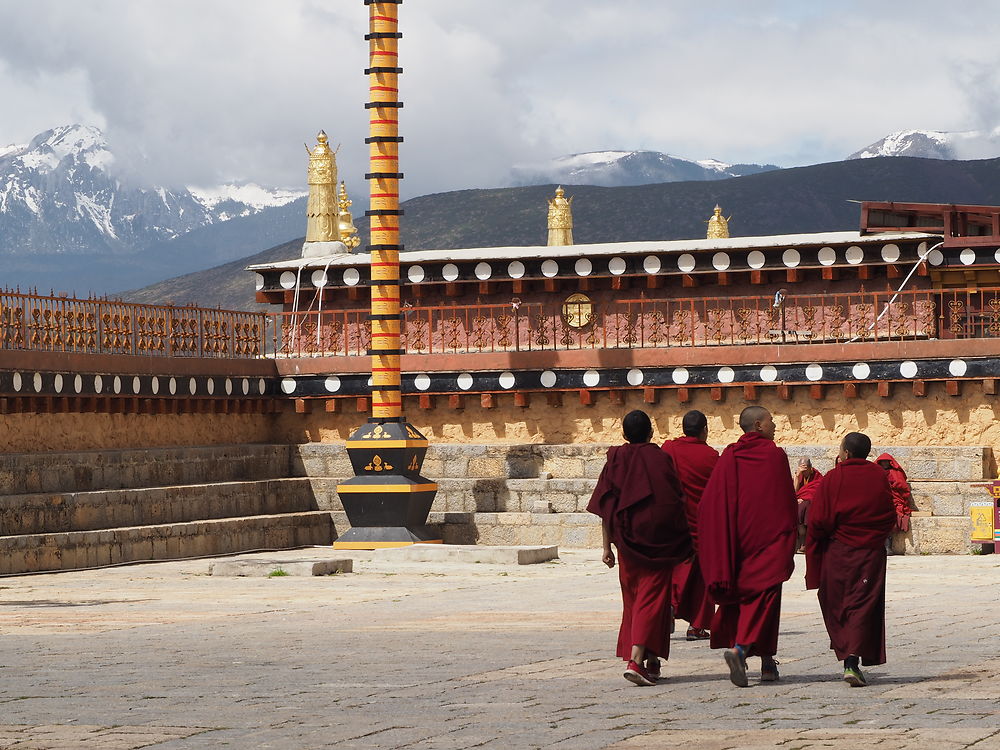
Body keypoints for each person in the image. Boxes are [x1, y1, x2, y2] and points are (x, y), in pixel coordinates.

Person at [587, 410, 693, 686]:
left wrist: (606, 547)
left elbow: (607, 506)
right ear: (651, 434)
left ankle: (653, 660)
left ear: (624, 435)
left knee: (637, 601)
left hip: (626, 544)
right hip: (658, 544)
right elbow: (674, 502)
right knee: (651, 600)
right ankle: (636, 661)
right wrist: (683, 538)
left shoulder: (616, 460)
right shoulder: (660, 458)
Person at [698, 406, 798, 687]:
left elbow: (711, 501)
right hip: (768, 539)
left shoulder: (730, 455)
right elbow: (785, 499)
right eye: (771, 421)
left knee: (745, 598)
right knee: (767, 596)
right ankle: (743, 650)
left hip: (737, 541)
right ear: (757, 425)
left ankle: (766, 663)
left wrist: (721, 539)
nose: (775, 425)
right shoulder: (774, 455)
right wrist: (793, 532)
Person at [806, 433, 895, 687]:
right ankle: (851, 661)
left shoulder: (834, 477)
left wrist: (819, 541)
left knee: (837, 601)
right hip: (870, 553)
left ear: (845, 452)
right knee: (863, 602)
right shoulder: (878, 476)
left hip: (839, 552)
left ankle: (849, 659)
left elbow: (819, 518)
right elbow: (888, 514)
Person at [661, 409, 720, 641]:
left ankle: (672, 604)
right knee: (705, 576)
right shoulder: (712, 457)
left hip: (676, 523)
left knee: (676, 570)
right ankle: (697, 626)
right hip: (703, 525)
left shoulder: (669, 449)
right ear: (704, 430)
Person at [876, 453, 913, 553]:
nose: (884, 464)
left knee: (891, 518)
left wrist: (892, 486)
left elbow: (903, 488)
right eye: (882, 462)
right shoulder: (876, 472)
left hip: (893, 500)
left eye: (886, 461)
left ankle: (888, 547)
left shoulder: (895, 473)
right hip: (879, 500)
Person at [794, 458, 824, 550]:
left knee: (805, 506)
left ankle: (804, 541)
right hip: (799, 501)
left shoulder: (817, 476)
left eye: (806, 469)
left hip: (811, 502)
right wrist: (797, 477)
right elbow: (794, 493)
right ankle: (800, 541)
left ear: (810, 468)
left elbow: (817, 492)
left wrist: (803, 498)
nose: (804, 472)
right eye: (802, 470)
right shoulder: (799, 476)